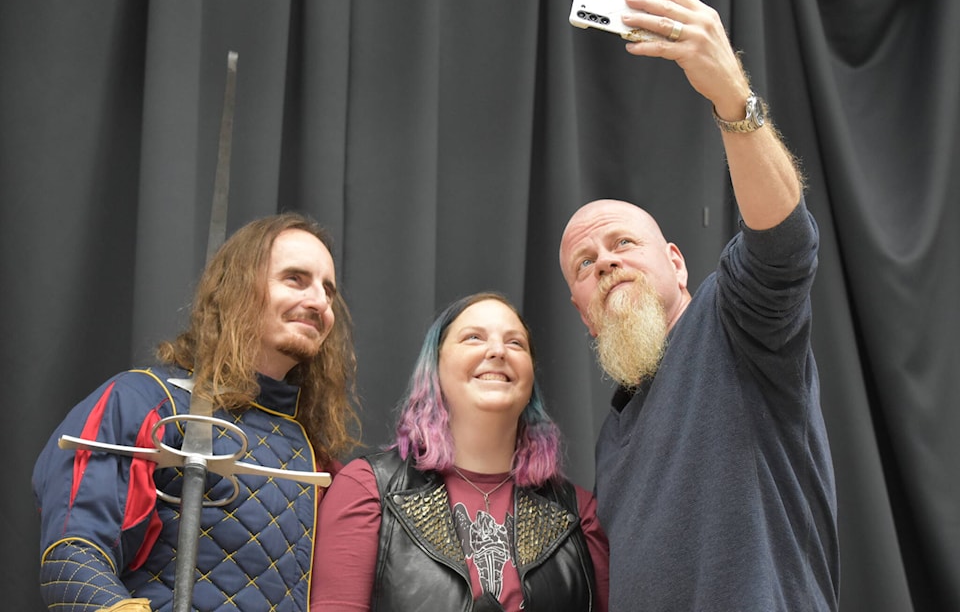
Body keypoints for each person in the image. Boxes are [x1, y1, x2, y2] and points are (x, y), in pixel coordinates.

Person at [557, 0, 839, 612]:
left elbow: (786, 243)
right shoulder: (614, 438)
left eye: (623, 242)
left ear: (678, 264)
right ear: (582, 310)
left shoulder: (731, 323)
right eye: (585, 262)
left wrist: (732, 97)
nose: (605, 260)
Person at [33, 212, 361, 612]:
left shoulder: (317, 460)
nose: (318, 302)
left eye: (327, 290)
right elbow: (73, 558)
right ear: (238, 288)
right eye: (295, 279)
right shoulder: (143, 401)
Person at [310, 292, 609, 612]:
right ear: (434, 368)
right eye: (473, 338)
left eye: (515, 343)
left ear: (531, 377)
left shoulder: (580, 514)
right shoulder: (367, 489)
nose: (497, 351)